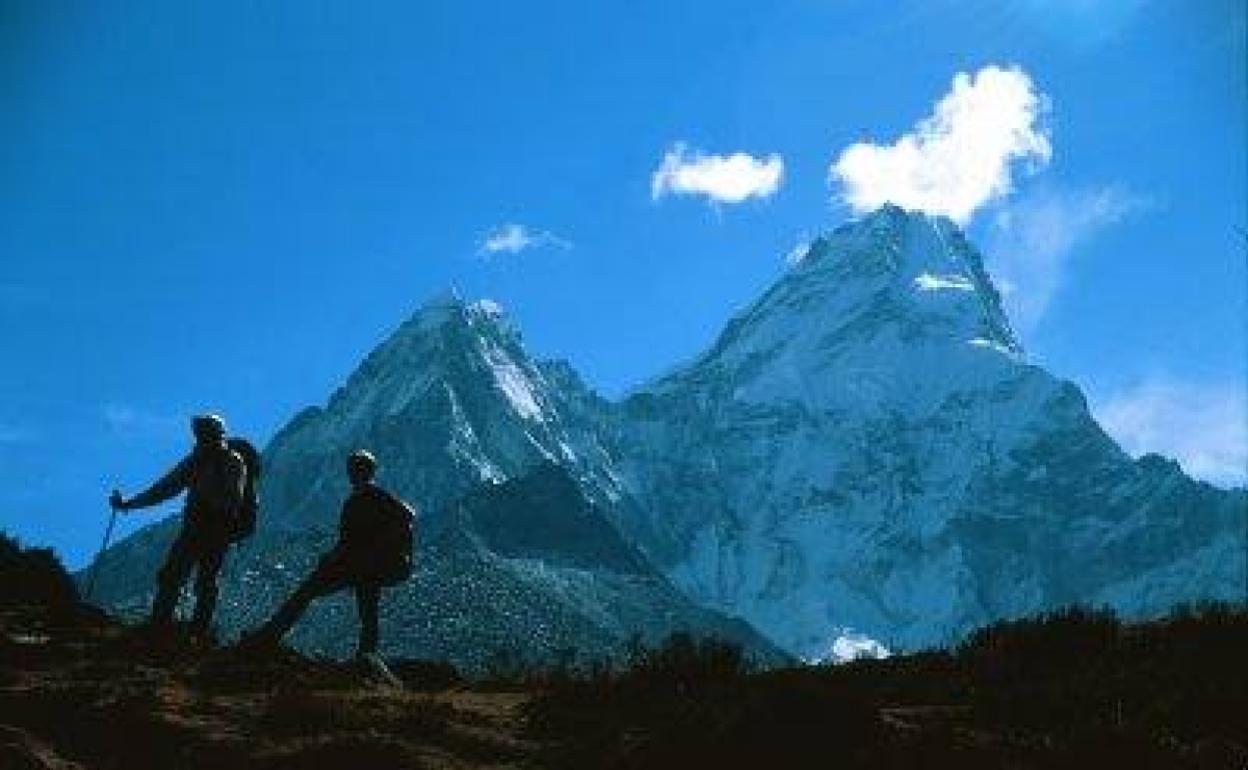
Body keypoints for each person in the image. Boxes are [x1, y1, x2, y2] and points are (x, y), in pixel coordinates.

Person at [241, 449, 413, 661]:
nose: (352, 473)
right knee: (366, 609)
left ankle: (270, 634)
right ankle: (366, 655)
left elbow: (399, 519)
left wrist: (358, 552)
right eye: (353, 468)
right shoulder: (364, 499)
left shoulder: (370, 498)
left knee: (311, 593)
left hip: (364, 564)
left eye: (356, 468)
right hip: (365, 564)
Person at [109, 413, 246, 639]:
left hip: (210, 530)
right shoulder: (203, 461)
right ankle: (175, 629)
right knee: (188, 578)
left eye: (202, 434)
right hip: (208, 531)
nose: (200, 439)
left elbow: (167, 489)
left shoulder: (227, 461)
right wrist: (128, 504)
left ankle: (173, 629)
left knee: (189, 578)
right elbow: (164, 488)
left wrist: (129, 504)